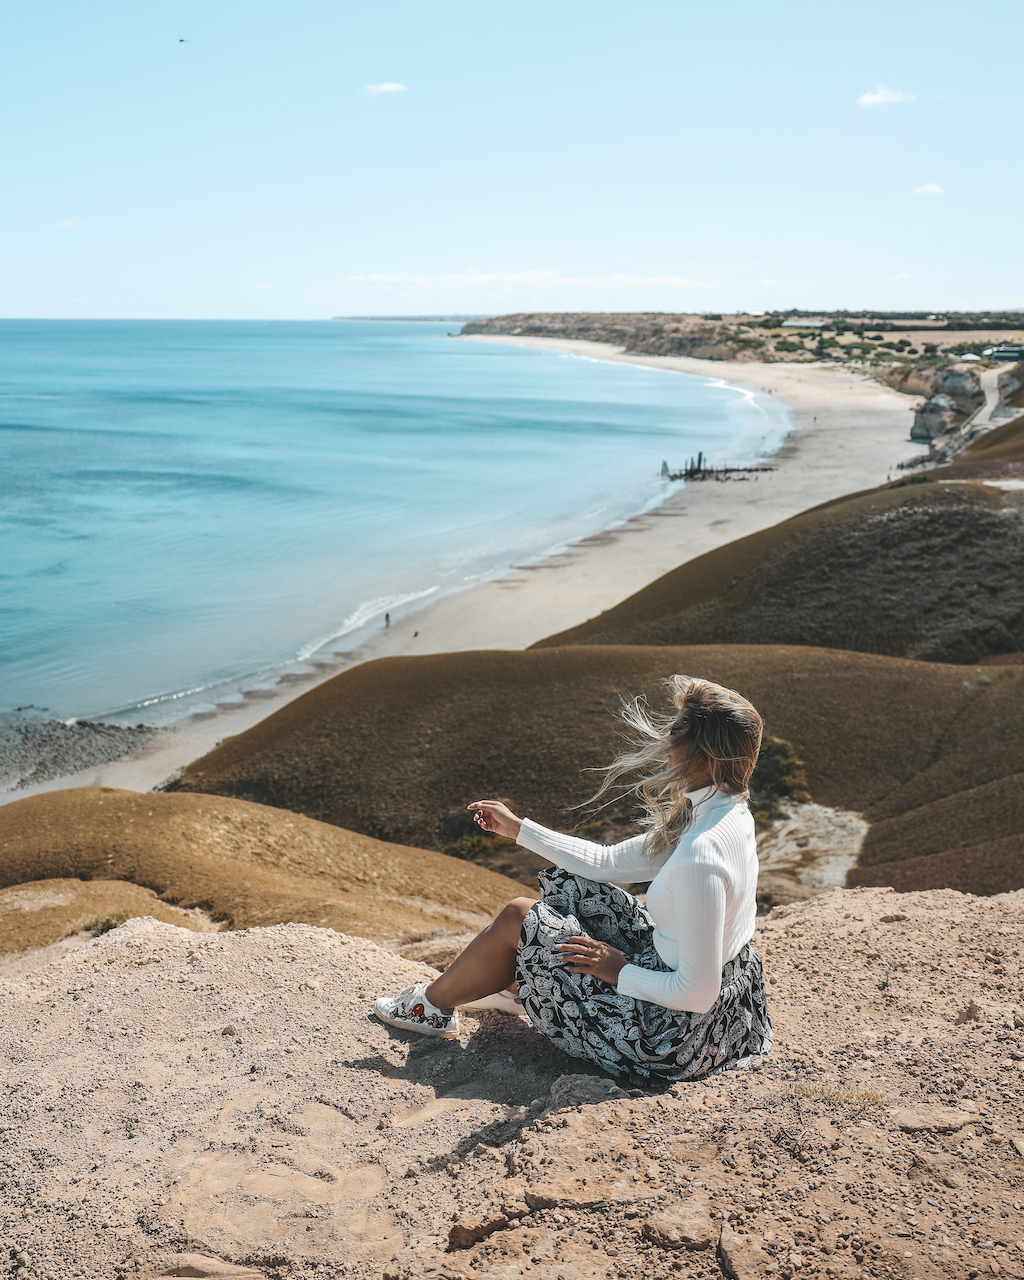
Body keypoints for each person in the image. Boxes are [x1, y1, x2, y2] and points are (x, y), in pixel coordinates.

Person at [374, 675, 773, 1085]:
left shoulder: (700, 857)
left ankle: (427, 1009)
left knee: (518, 915)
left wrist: (617, 970)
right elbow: (604, 862)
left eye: (676, 731)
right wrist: (517, 829)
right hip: (725, 1003)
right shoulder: (729, 812)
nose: (666, 741)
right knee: (573, 885)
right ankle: (513, 989)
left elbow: (696, 993)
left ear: (703, 755)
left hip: (669, 1036)